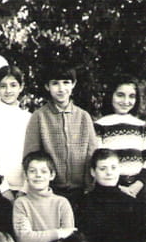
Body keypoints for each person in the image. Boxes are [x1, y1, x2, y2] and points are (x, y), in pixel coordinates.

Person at [23, 65, 97, 208]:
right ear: (47, 86)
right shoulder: (39, 117)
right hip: (49, 192)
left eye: (66, 82)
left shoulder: (84, 117)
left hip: (81, 193)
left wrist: (89, 187)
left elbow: (91, 154)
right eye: (55, 83)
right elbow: (30, 156)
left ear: (73, 84)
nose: (61, 88)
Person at [94, 76, 146, 225]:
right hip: (110, 191)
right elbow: (97, 159)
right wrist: (117, 188)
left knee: (138, 233)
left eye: (131, 96)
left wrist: (137, 185)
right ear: (111, 95)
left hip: (139, 191)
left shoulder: (142, 126)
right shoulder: (100, 125)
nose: (126, 101)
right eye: (120, 95)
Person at [12, 151, 76, 242]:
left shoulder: (62, 203)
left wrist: (36, 239)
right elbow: (24, 240)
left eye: (43, 171)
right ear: (26, 175)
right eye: (32, 171)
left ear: (52, 175)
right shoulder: (21, 203)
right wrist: (58, 233)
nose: (38, 175)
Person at [0, 65, 32, 197]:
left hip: (25, 187)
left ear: (21, 87)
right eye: (3, 86)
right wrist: (3, 189)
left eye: (13, 85)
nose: (8, 90)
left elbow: (32, 155)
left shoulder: (29, 118)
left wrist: (24, 189)